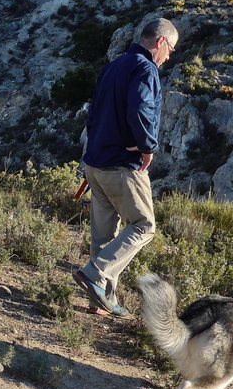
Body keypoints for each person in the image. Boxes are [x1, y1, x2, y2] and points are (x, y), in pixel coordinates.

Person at [73, 17, 178, 317]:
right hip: (123, 165)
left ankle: (101, 302)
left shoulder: (114, 65)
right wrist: (147, 147)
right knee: (144, 225)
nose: (169, 56)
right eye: (170, 48)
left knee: (103, 234)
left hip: (96, 162)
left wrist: (94, 148)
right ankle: (96, 272)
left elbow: (93, 113)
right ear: (159, 42)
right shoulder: (146, 69)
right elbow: (141, 108)